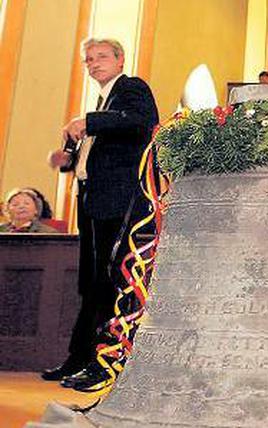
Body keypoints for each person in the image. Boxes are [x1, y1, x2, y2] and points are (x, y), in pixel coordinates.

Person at [45, 38, 159, 392]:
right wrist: (69, 160)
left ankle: (105, 363)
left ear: (120, 60)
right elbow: (100, 153)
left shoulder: (131, 87)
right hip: (92, 201)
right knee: (92, 284)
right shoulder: (102, 101)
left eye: (102, 57)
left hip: (118, 202)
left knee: (111, 279)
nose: (94, 63)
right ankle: (80, 357)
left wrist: (88, 122)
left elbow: (142, 122)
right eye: (88, 59)